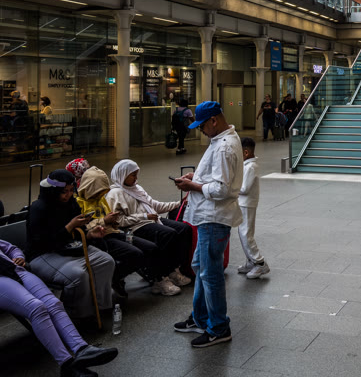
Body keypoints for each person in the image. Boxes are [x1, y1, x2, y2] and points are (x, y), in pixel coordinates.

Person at [0, 215, 117, 377]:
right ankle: (66, 364)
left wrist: (19, 257)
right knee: (36, 307)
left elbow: (11, 248)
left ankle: (81, 349)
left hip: (15, 271)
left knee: (53, 303)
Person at [172, 101, 243, 348]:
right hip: (209, 216)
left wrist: (193, 185)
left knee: (210, 273)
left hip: (214, 217)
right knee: (201, 266)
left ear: (214, 120)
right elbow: (218, 178)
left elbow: (222, 188)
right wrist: (198, 177)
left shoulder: (224, 146)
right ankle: (201, 317)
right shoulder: (222, 140)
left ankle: (219, 327)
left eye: (202, 125)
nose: (201, 130)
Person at [26, 169, 116, 322]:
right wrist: (70, 226)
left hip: (67, 248)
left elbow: (78, 233)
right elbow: (42, 241)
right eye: (63, 192)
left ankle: (100, 308)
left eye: (70, 190)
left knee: (106, 261)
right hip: (43, 254)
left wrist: (90, 234)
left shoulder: (71, 204)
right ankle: (77, 316)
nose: (67, 195)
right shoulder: (38, 208)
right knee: (77, 275)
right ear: (54, 191)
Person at [106, 160, 193, 295]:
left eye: (136, 174)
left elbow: (154, 205)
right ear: (123, 175)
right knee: (167, 234)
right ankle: (161, 278)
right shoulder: (114, 194)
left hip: (151, 219)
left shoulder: (137, 188)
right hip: (135, 226)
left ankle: (173, 269)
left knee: (184, 229)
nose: (136, 178)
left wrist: (178, 204)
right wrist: (144, 216)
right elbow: (119, 221)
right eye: (133, 175)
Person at [76, 166, 163, 299]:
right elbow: (84, 228)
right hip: (100, 238)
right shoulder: (79, 204)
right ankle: (114, 278)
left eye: (102, 192)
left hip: (114, 231)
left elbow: (114, 220)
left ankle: (151, 276)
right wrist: (104, 220)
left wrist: (113, 220)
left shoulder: (101, 200)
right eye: (98, 192)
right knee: (135, 254)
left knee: (151, 248)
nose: (100, 195)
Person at [236, 137, 269, 279]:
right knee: (243, 233)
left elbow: (244, 188)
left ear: (246, 153)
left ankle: (260, 263)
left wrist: (232, 187)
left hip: (247, 204)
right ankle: (251, 261)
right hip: (244, 203)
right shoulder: (247, 165)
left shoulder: (250, 167)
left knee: (246, 234)